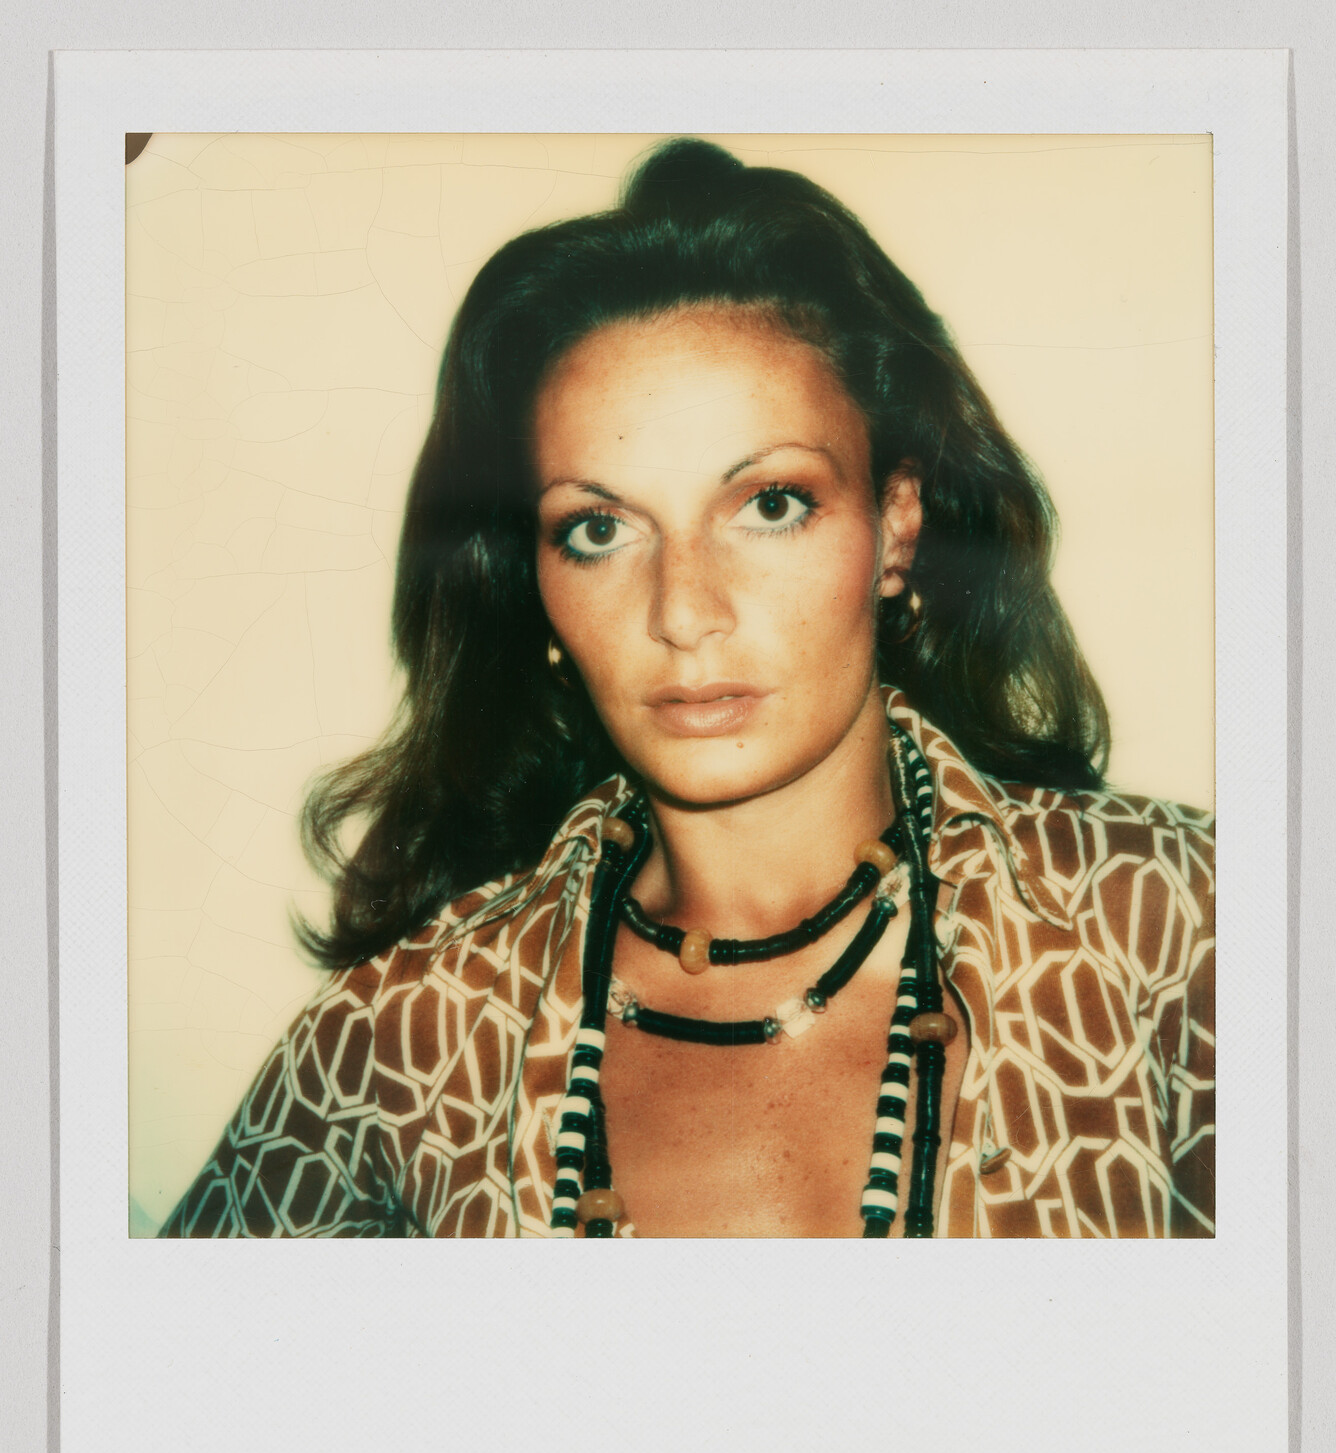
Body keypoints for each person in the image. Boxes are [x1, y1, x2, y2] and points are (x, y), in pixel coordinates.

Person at [161, 139, 1214, 1241]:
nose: (683, 608)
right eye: (599, 528)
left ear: (896, 527)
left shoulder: (1175, 931)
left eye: (769, 503)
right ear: (534, 583)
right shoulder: (398, 1045)